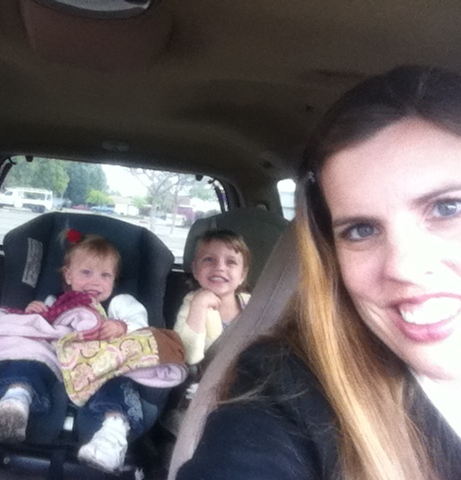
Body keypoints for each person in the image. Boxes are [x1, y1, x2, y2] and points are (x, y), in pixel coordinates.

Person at [177, 65, 461, 479]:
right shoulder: (287, 383)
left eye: (449, 208)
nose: (403, 267)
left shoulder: (250, 306)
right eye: (361, 230)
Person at [0, 233, 174, 473]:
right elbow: (40, 330)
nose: (95, 281)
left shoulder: (120, 303)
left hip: (101, 366)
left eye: (105, 275)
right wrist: (36, 313)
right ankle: (16, 401)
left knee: (118, 382)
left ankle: (112, 436)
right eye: (86, 272)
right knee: (30, 357)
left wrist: (122, 326)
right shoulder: (57, 301)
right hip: (57, 362)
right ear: (68, 276)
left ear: (115, 280)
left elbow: (142, 327)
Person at [173, 229, 251, 366]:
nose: (219, 267)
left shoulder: (254, 303)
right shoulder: (192, 303)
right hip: (211, 374)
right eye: (209, 259)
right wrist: (199, 307)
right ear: (195, 270)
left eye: (231, 262)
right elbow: (188, 355)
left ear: (242, 275)